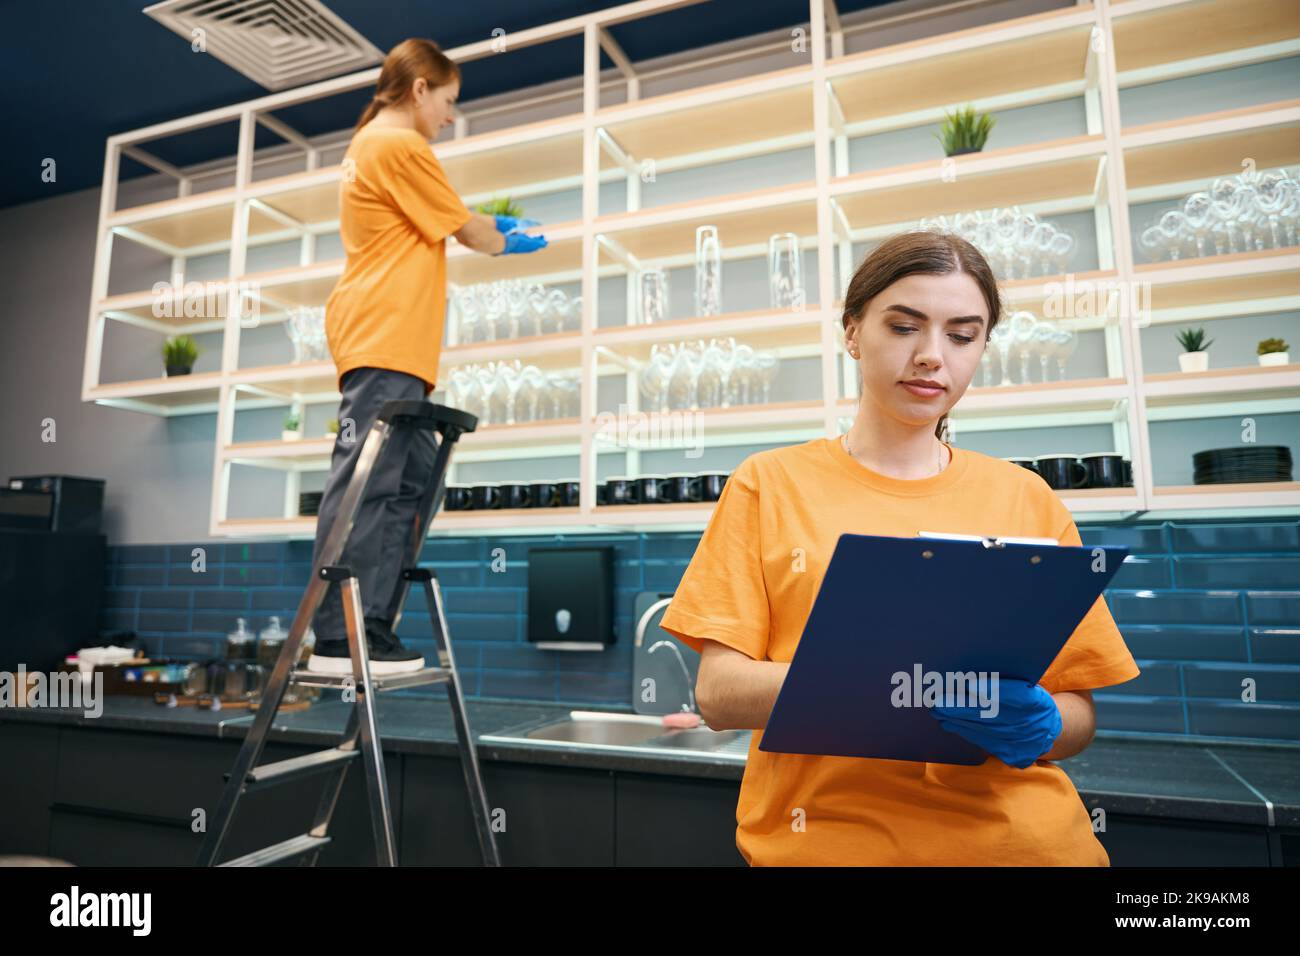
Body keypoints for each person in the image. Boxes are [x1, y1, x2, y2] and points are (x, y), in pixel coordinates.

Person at [657, 230, 1140, 866]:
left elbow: (1078, 713)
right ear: (853, 332)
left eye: (962, 335)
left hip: (1030, 850)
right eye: (905, 326)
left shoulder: (1028, 498)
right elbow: (718, 695)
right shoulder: (770, 484)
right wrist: (901, 686)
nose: (932, 356)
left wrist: (1043, 723)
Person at [306, 39, 546, 676]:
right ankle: (340, 633)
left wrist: (484, 222)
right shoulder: (397, 145)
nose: (449, 116)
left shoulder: (375, 147)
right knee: (369, 482)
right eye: (448, 101)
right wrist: (504, 239)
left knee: (408, 485)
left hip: (395, 341)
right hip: (382, 334)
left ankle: (373, 622)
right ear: (419, 89)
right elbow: (469, 233)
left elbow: (447, 218)